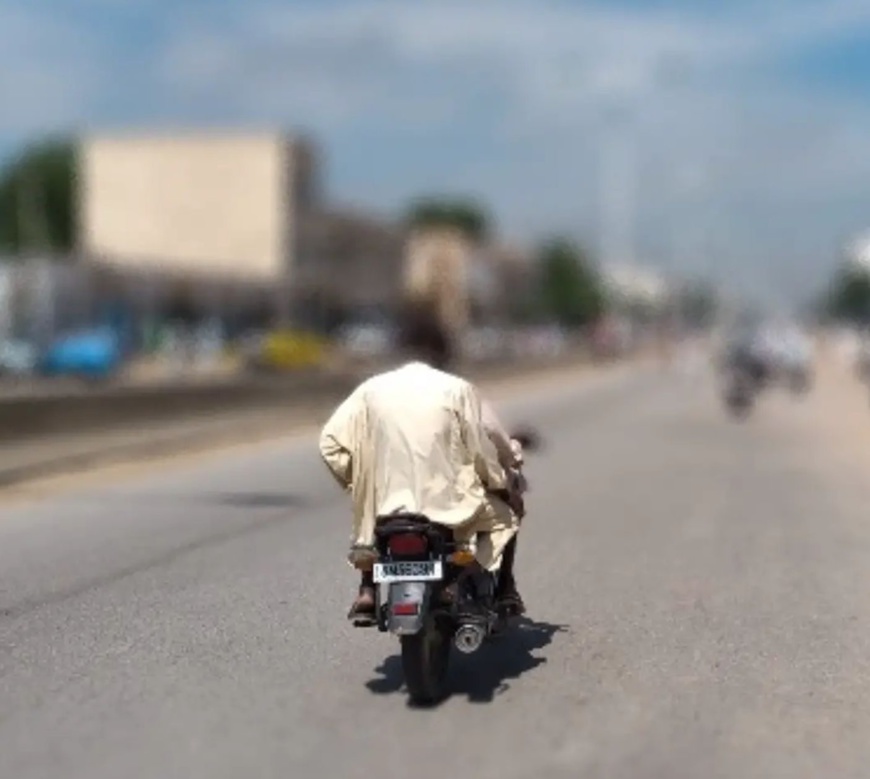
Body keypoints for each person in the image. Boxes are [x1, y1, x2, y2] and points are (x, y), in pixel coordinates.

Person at [318, 347, 526, 624]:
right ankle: (458, 583)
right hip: (445, 503)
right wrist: (500, 483)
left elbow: (329, 442)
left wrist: (357, 481)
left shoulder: (369, 390)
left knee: (368, 531)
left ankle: (368, 590)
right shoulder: (457, 388)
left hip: (385, 503)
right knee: (505, 519)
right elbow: (481, 449)